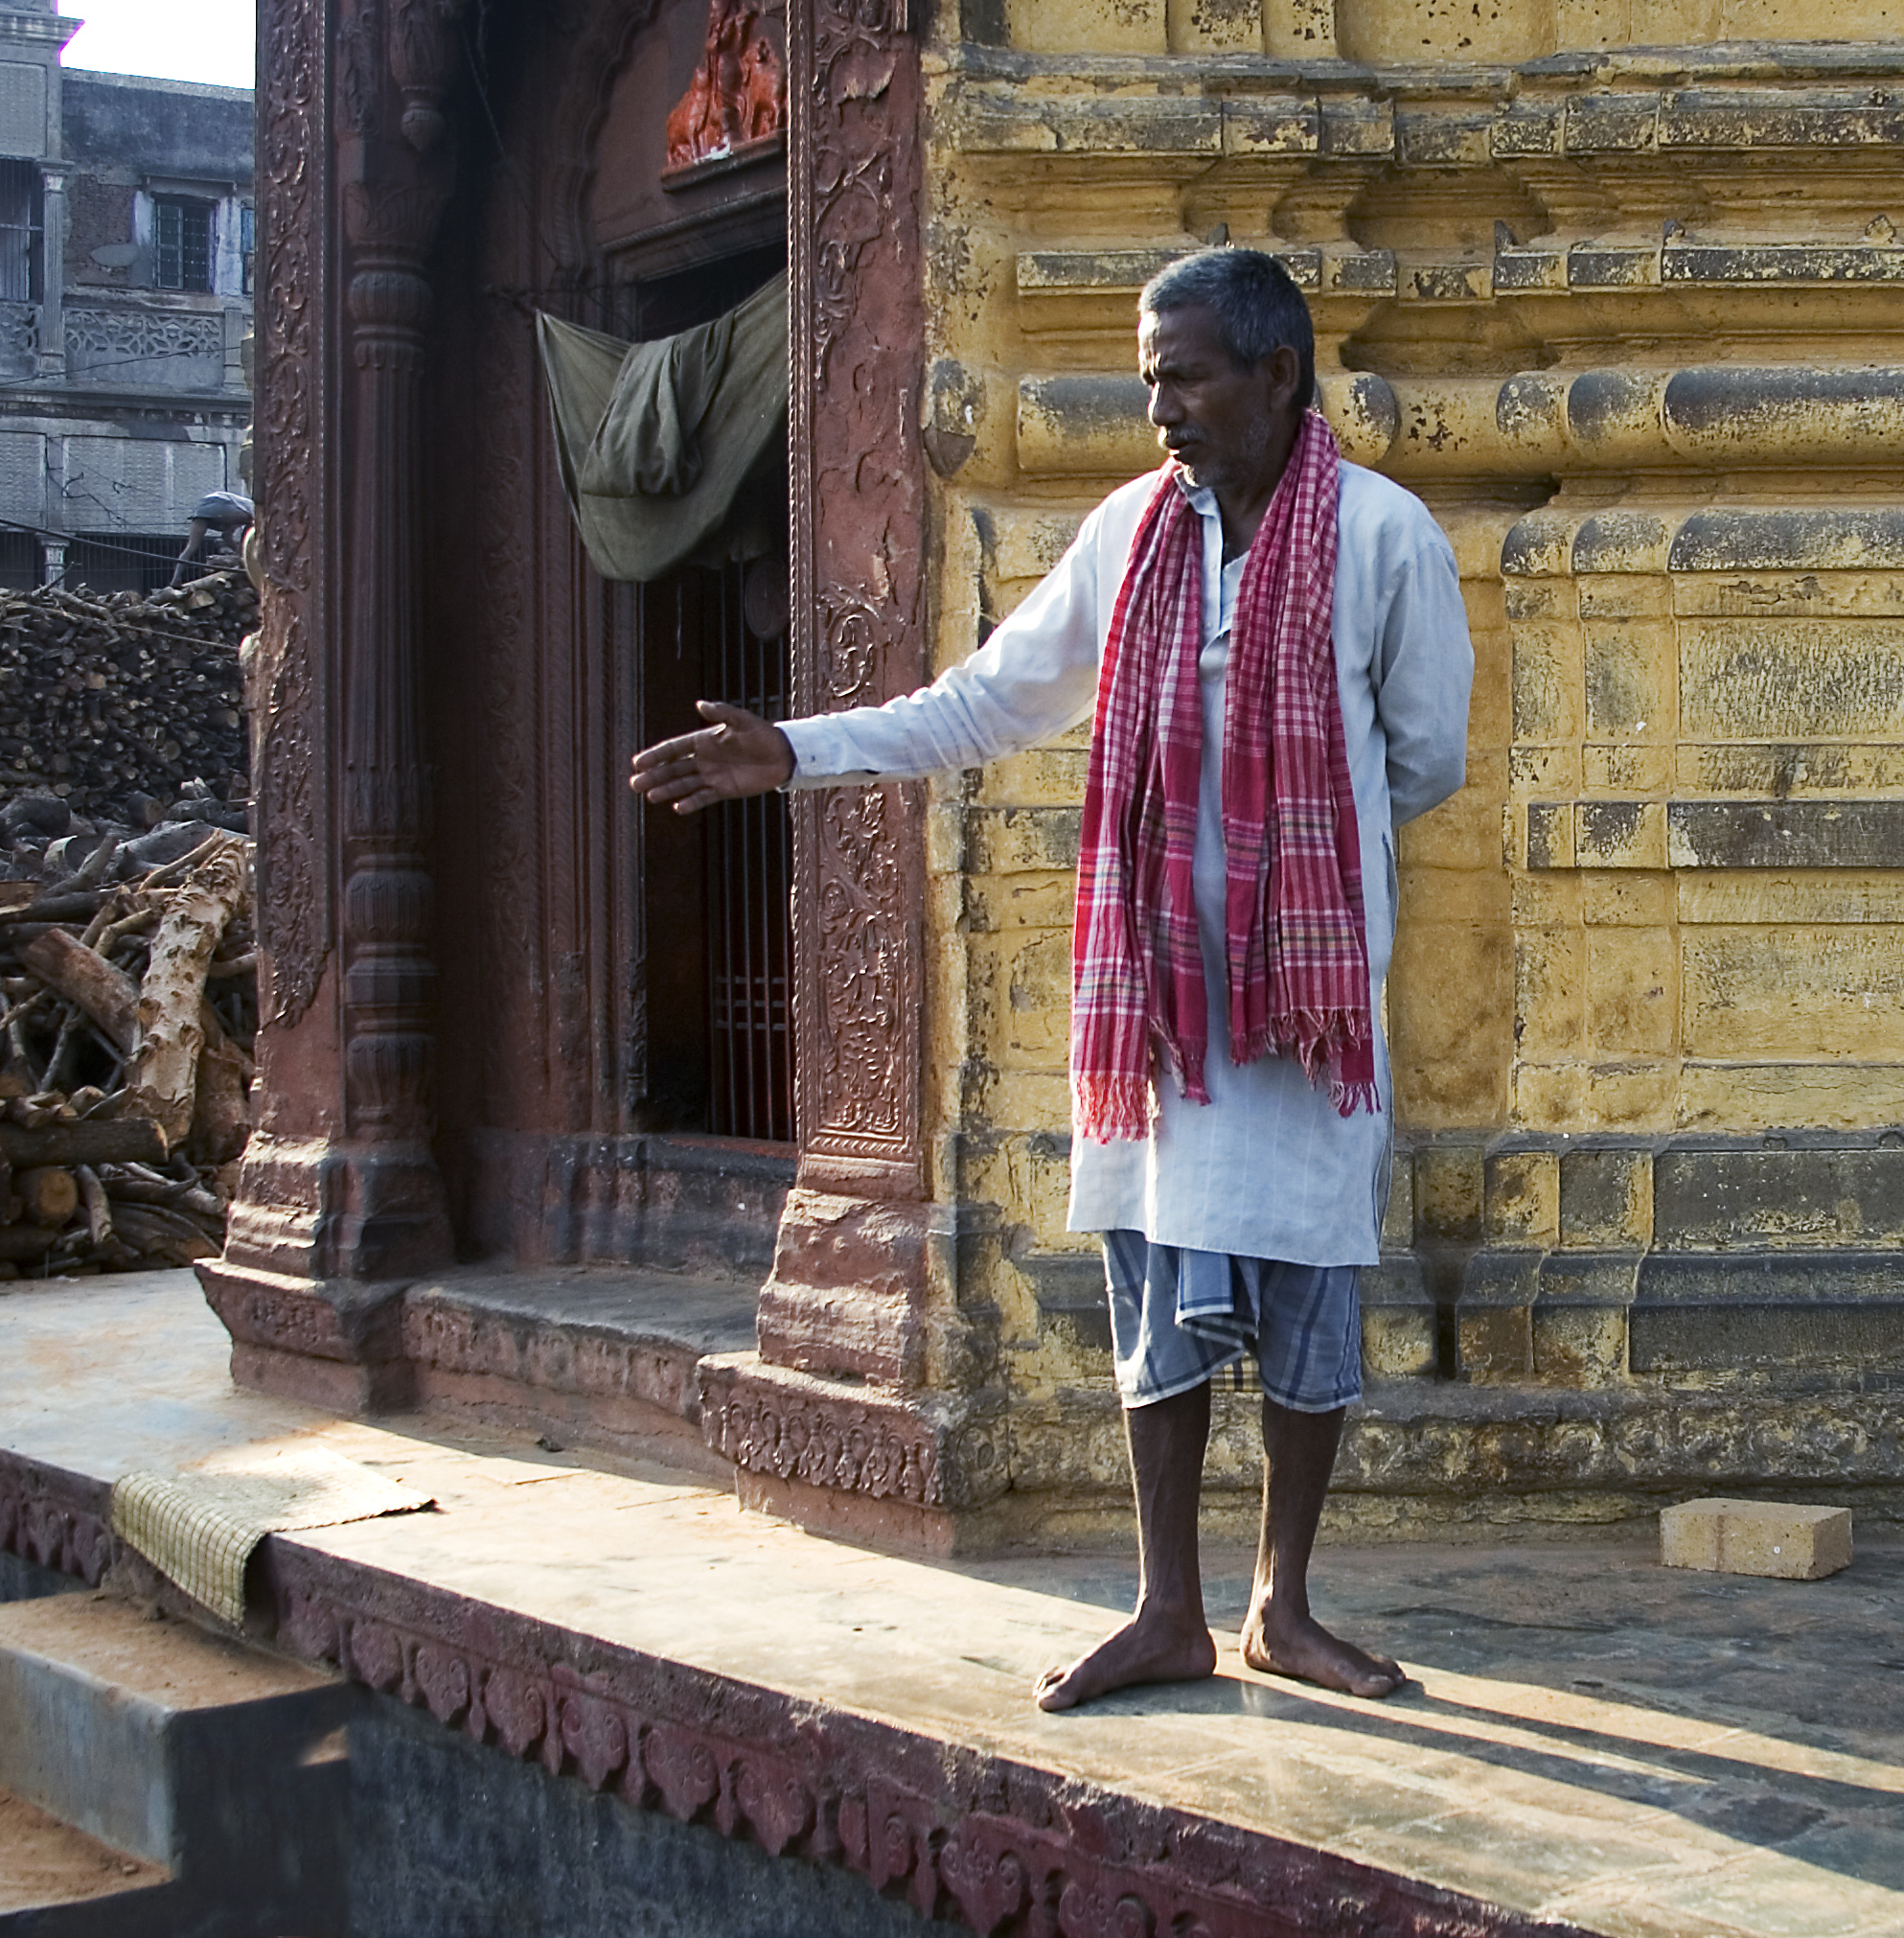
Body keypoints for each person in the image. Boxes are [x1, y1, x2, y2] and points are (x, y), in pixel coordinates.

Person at [629, 248, 1472, 1712]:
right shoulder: (1130, 537)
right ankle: (1168, 1610)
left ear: (1277, 375)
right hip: (1150, 1008)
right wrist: (795, 752)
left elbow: (1426, 758)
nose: (1160, 406)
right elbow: (989, 700)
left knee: (1309, 1299)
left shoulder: (1386, 542)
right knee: (1155, 1294)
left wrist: (1295, 889)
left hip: (1302, 1016)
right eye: (1148, 375)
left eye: (1187, 373)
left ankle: (1284, 1604)